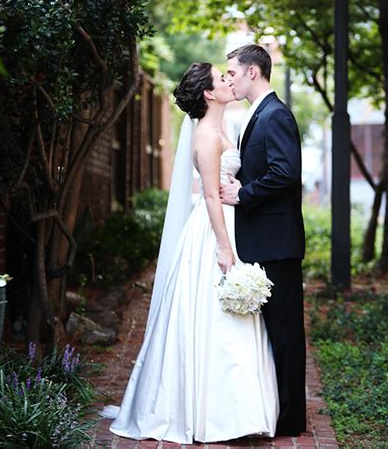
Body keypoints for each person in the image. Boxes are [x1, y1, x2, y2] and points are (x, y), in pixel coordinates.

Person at [106, 62, 279, 444]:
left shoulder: (222, 127)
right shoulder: (205, 134)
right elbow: (213, 196)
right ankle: (207, 413)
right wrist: (223, 245)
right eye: (222, 79)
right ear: (208, 93)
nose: (228, 81)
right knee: (209, 312)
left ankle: (240, 410)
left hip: (232, 221)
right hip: (213, 229)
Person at [220, 44, 306, 437]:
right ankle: (274, 407)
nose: (230, 79)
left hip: (278, 242)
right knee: (272, 332)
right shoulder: (257, 115)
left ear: (253, 72)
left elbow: (285, 172)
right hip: (263, 239)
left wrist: (245, 193)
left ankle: (290, 419)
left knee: (285, 332)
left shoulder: (276, 114)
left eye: (234, 72)